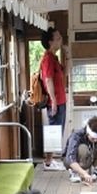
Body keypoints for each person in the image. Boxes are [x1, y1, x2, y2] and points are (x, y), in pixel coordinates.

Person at [40, 26, 67, 171]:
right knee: (53, 131)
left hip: (61, 101)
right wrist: (54, 101)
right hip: (55, 102)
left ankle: (50, 161)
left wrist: (67, 55)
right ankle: (48, 162)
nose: (60, 39)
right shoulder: (48, 59)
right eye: (58, 37)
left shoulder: (55, 58)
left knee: (56, 131)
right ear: (50, 42)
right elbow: (48, 79)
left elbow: (64, 73)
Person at [62, 115, 97, 183]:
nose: (95, 140)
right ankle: (76, 172)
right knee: (83, 148)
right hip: (73, 162)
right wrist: (84, 173)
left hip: (91, 156)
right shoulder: (76, 135)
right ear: (88, 132)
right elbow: (70, 158)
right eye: (93, 138)